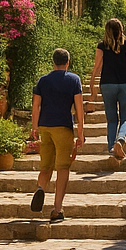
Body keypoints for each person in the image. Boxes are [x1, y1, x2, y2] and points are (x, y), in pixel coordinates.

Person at [30, 48, 86, 224]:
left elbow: (36, 106)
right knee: (62, 167)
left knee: (46, 166)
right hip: (63, 127)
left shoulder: (43, 81)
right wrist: (80, 132)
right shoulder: (74, 80)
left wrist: (34, 128)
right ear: (67, 63)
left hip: (45, 127)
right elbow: (79, 108)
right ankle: (57, 208)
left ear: (53, 63)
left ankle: (41, 188)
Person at [89, 18, 126, 163]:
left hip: (107, 84)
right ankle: (120, 140)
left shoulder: (102, 46)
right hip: (124, 84)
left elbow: (97, 67)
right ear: (121, 30)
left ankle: (111, 147)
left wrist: (92, 84)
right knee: (125, 118)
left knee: (111, 119)